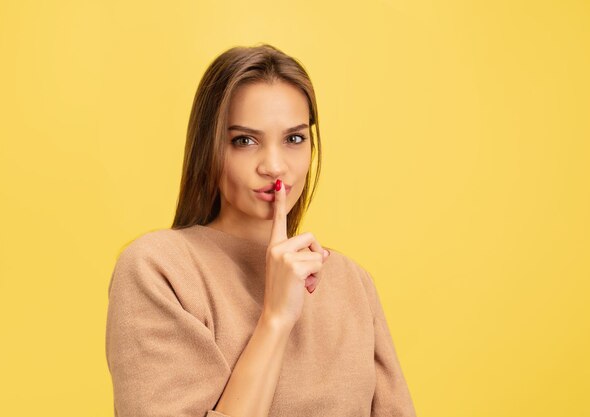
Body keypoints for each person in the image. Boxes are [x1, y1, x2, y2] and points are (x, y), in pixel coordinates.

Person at [105, 43, 417, 417]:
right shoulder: (159, 269)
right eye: (244, 141)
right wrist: (275, 320)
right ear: (210, 147)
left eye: (294, 139)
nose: (274, 165)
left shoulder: (352, 283)